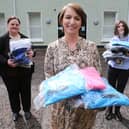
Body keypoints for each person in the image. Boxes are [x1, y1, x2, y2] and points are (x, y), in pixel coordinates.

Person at [44, 3, 102, 129]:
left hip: (84, 109)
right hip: (61, 109)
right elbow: (49, 76)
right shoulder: (52, 47)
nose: (72, 22)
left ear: (82, 23)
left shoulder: (91, 47)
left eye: (77, 18)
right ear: (61, 20)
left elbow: (97, 75)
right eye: (68, 17)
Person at [0, 16, 35, 121]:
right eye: (12, 24)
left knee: (26, 91)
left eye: (17, 24)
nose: (15, 26)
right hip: (9, 72)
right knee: (13, 92)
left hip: (24, 71)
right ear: (8, 26)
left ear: (19, 26)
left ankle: (27, 110)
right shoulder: (2, 39)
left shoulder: (25, 38)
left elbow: (32, 50)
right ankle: (15, 112)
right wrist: (6, 61)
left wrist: (32, 53)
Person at [105, 20, 129, 121]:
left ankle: (117, 111)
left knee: (120, 90)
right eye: (119, 26)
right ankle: (109, 110)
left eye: (122, 26)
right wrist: (112, 56)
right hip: (113, 68)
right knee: (111, 89)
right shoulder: (113, 39)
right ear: (116, 28)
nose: (121, 28)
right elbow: (108, 51)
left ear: (126, 27)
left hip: (124, 69)